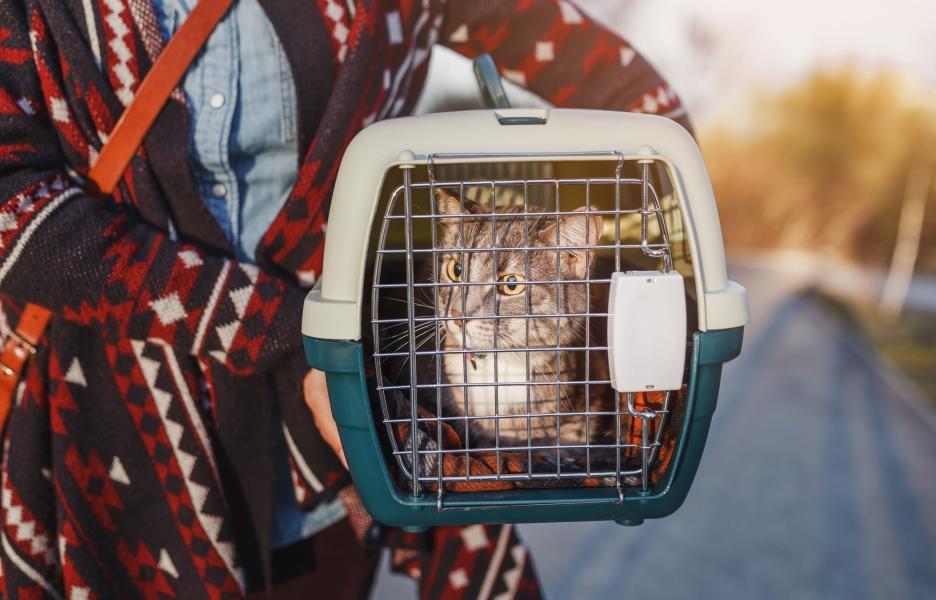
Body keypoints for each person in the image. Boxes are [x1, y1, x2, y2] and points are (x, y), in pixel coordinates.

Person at [0, 0, 691, 597]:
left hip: (333, 460)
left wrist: (638, 283)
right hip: (102, 448)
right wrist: (293, 333)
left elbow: (635, 97)